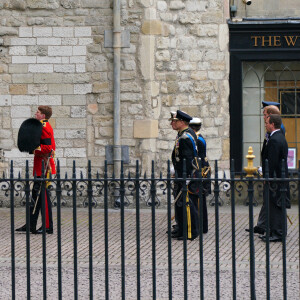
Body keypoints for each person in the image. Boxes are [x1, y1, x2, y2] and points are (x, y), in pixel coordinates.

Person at [246, 102, 286, 235]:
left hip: (274, 175)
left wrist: (266, 173)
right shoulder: (272, 134)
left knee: (275, 205)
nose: (263, 119)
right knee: (268, 203)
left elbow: (274, 157)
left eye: (265, 115)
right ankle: (264, 226)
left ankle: (275, 230)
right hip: (270, 173)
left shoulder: (277, 134)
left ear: (271, 118)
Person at [16, 106, 56, 234]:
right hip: (40, 166)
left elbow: (48, 148)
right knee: (35, 197)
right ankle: (31, 224)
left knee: (43, 198)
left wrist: (32, 148)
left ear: (43, 116)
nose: (35, 113)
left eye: (38, 112)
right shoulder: (41, 126)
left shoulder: (44, 127)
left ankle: (48, 226)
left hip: (44, 168)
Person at [170, 110, 199, 240]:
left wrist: (186, 176)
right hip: (180, 173)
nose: (172, 123)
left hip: (185, 174)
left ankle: (190, 231)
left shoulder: (185, 137)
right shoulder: (182, 134)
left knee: (186, 204)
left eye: (174, 121)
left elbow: (187, 159)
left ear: (181, 122)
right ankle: (182, 228)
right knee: (180, 204)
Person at [259, 114, 289, 242]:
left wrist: (267, 176)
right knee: (272, 205)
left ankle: (278, 233)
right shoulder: (277, 137)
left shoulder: (276, 139)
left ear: (272, 124)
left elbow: (272, 161)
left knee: (276, 205)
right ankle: (272, 231)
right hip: (277, 177)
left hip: (276, 179)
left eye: (267, 123)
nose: (265, 125)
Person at [189, 117, 209, 233]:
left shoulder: (197, 139)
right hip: (202, 169)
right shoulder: (198, 137)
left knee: (198, 199)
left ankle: (200, 225)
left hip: (199, 170)